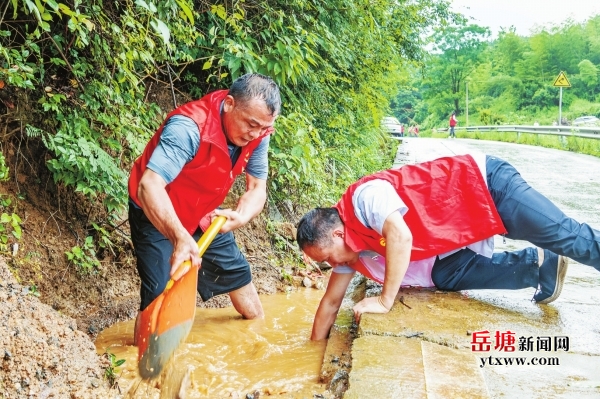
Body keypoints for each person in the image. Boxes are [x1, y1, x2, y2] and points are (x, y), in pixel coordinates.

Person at [296, 154, 600, 340]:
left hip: (489, 186)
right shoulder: (351, 252)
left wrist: (386, 301)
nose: (331, 265)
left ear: (337, 235)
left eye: (326, 259)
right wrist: (312, 350)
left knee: (566, 236)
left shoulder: (365, 199)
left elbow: (401, 237)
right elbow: (330, 303)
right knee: (446, 274)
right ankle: (538, 266)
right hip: (465, 226)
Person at [128, 73, 281, 329]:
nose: (256, 134)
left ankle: (256, 340)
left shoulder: (260, 133)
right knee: (158, 299)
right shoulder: (188, 127)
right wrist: (178, 237)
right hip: (156, 212)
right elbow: (149, 186)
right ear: (230, 104)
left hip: (204, 212)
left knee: (239, 276)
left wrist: (242, 215)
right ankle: (138, 366)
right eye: (251, 124)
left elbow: (257, 188)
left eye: (264, 128)